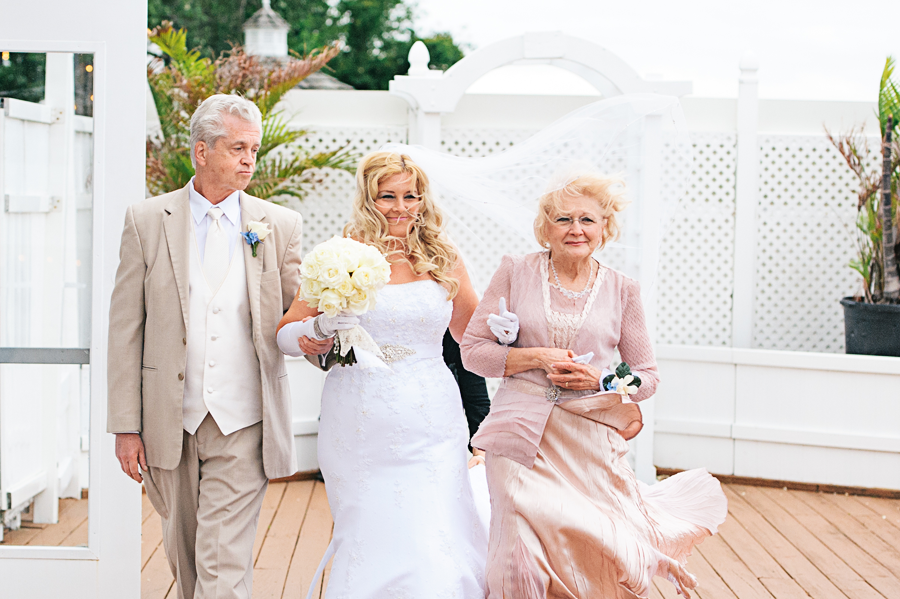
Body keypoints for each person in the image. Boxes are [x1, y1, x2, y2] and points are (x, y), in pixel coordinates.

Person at [460, 172, 728, 599]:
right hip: (518, 436)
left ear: (605, 228)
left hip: (589, 441)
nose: (575, 229)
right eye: (563, 218)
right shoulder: (515, 270)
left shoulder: (623, 289)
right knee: (517, 560)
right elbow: (472, 351)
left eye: (588, 219)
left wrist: (601, 379)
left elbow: (647, 377)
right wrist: (533, 357)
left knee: (587, 554)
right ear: (545, 227)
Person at [107, 94, 303, 599]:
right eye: (237, 148)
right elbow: (126, 327)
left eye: (254, 150)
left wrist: (326, 328)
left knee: (223, 563)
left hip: (245, 420)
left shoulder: (278, 225)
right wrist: (126, 426)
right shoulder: (146, 220)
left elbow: (293, 317)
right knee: (186, 557)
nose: (248, 160)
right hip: (168, 422)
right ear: (201, 151)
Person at [277, 152, 489, 599]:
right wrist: (312, 333)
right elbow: (285, 332)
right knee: (370, 526)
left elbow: (474, 335)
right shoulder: (339, 256)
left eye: (411, 195)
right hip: (358, 414)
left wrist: (511, 330)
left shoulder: (442, 255)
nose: (400, 207)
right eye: (387, 195)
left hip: (433, 414)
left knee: (436, 523)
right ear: (368, 198)